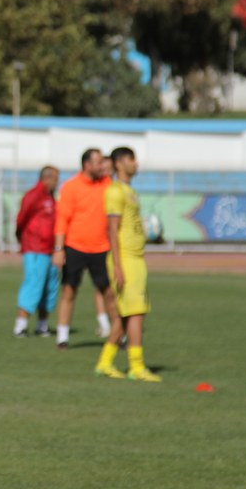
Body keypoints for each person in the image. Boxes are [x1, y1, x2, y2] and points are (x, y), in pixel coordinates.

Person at [94, 147, 161, 382]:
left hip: (136, 258)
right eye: (132, 159)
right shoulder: (115, 191)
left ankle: (104, 363)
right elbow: (112, 230)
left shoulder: (129, 191)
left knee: (124, 317)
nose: (136, 163)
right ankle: (136, 366)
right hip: (126, 259)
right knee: (136, 313)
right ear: (120, 163)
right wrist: (119, 266)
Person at [51, 148, 114, 350]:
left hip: (102, 248)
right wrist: (59, 249)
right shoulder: (71, 187)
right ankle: (62, 337)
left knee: (108, 292)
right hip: (75, 247)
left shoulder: (108, 185)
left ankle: (117, 335)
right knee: (69, 290)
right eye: (98, 162)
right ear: (87, 164)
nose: (102, 166)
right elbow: (62, 220)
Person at [12, 166, 60, 337]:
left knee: (50, 287)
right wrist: (24, 239)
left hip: (51, 249)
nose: (57, 182)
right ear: (46, 178)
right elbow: (21, 219)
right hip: (35, 248)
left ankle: (42, 325)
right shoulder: (33, 196)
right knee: (33, 284)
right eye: (55, 178)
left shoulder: (51, 198)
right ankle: (21, 326)